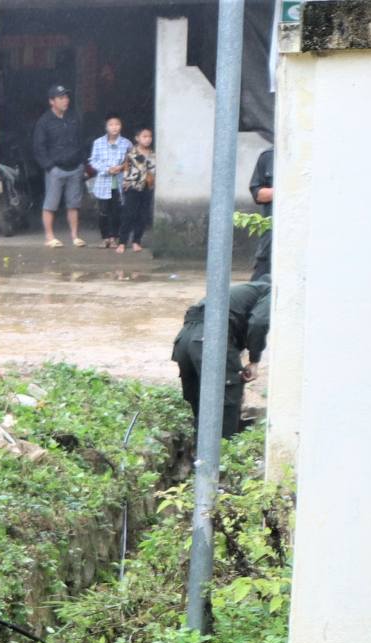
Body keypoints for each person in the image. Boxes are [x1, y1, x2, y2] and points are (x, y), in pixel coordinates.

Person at [172, 279, 271, 439]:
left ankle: (198, 458)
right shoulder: (271, 291)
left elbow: (231, 341)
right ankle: (221, 459)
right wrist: (254, 360)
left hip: (184, 339)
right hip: (208, 338)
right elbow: (259, 323)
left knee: (200, 406)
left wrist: (237, 385)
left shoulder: (242, 294)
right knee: (226, 412)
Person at [32, 85, 89, 248]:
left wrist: (81, 162)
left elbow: (80, 140)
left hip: (75, 167)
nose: (65, 101)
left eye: (66, 97)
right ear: (52, 101)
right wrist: (50, 167)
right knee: (51, 204)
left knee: (74, 204)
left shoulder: (72, 118)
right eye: (61, 98)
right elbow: (39, 148)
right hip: (56, 169)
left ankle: (75, 236)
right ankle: (49, 237)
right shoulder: (44, 121)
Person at [87, 115, 132, 248]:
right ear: (106, 127)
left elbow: (132, 160)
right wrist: (107, 169)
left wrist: (122, 166)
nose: (114, 127)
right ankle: (105, 237)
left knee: (117, 211)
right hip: (103, 182)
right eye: (111, 124)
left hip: (119, 182)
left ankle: (114, 237)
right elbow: (93, 160)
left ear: (121, 126)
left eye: (117, 124)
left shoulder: (126, 143)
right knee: (103, 211)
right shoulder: (98, 143)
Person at [119, 127, 157, 253]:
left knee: (142, 215)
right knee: (129, 214)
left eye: (149, 137)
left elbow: (153, 171)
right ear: (137, 138)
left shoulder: (152, 154)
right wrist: (126, 183)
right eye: (144, 137)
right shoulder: (131, 154)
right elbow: (126, 170)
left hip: (147, 187)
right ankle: (122, 242)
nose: (147, 139)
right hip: (132, 187)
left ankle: (136, 241)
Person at [248, 147, 274, 281]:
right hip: (271, 233)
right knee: (260, 282)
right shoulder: (269, 156)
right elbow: (257, 193)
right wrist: (285, 190)